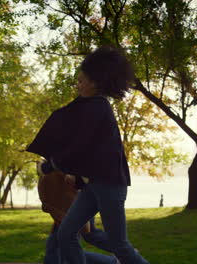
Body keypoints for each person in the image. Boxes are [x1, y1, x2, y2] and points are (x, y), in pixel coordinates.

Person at [27, 46, 150, 264]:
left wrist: (51, 165)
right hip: (93, 185)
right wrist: (74, 173)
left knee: (119, 244)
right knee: (66, 234)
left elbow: (80, 146)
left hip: (110, 186)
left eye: (81, 81)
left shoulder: (98, 107)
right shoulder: (91, 106)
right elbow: (89, 149)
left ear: (95, 82)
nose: (78, 85)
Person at [37, 168, 118, 264]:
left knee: (65, 245)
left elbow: (65, 190)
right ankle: (121, 254)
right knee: (86, 237)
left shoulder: (57, 165)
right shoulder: (52, 167)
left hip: (72, 205)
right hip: (72, 204)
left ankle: (120, 255)